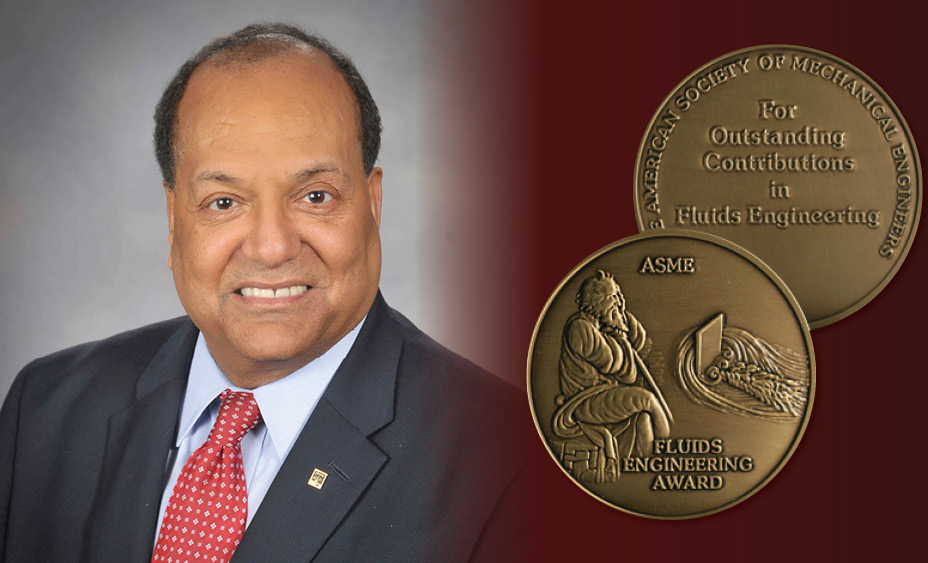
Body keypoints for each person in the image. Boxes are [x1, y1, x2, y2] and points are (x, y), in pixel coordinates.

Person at [0, 23, 524, 563]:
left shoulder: (513, 465)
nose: (272, 247)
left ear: (373, 203)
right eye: (223, 202)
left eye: (315, 195)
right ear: (174, 217)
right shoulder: (45, 411)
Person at [551, 270, 669, 482]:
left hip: (604, 395)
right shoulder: (580, 328)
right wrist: (620, 334)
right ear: (596, 300)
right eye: (613, 296)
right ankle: (670, 449)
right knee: (647, 400)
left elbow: (641, 344)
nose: (619, 301)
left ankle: (651, 471)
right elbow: (624, 371)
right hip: (585, 400)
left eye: (620, 295)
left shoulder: (604, 323)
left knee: (643, 418)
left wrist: (622, 318)